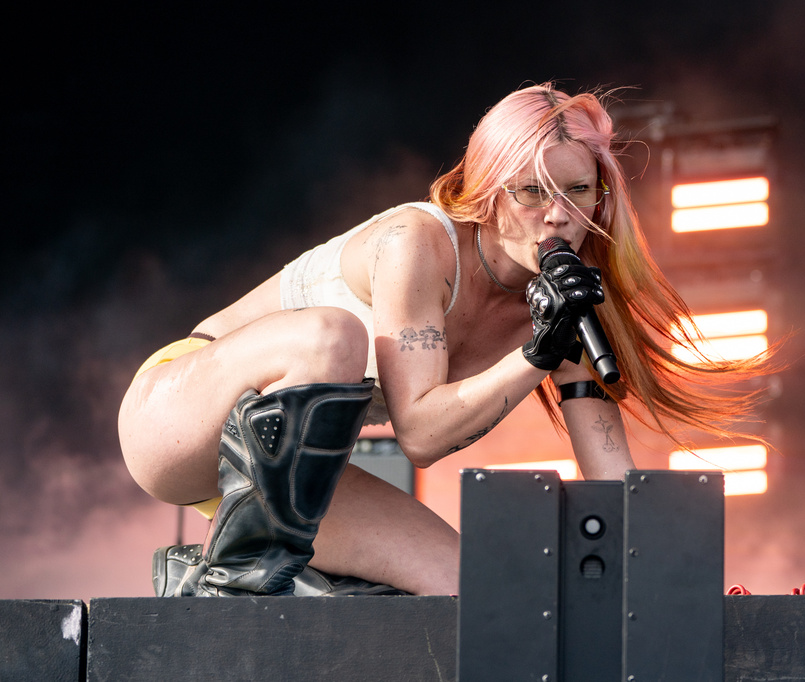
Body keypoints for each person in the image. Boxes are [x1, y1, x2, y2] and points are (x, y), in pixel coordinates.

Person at [118, 82, 769, 598]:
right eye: (531, 192)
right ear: (489, 194)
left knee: (472, 594)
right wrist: (535, 354)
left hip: (279, 489)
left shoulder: (568, 298)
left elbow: (611, 475)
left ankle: (248, 572)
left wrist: (674, 588)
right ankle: (232, 582)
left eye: (578, 191)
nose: (558, 215)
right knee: (332, 338)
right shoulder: (419, 242)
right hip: (176, 414)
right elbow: (422, 435)